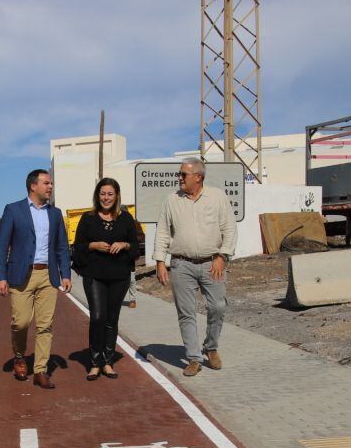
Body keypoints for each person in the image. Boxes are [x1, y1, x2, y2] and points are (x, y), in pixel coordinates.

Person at [153, 157, 237, 376]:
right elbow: (162, 231)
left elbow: (229, 229)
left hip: (213, 263)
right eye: (179, 174)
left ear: (198, 177)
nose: (179, 178)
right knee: (186, 312)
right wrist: (160, 261)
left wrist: (222, 257)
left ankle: (211, 347)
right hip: (182, 264)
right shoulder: (171, 200)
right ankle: (193, 357)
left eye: (183, 175)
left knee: (217, 306)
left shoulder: (217, 197)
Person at [0, 169, 72, 389]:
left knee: (45, 325)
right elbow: (2, 246)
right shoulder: (13, 210)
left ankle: (40, 370)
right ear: (33, 186)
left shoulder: (55, 214)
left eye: (51, 183)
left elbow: (62, 247)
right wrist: (1, 276)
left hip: (48, 275)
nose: (50, 187)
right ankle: (19, 355)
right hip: (20, 275)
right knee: (21, 322)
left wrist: (65, 273)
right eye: (46, 183)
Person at [73, 178, 139, 380]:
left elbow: (136, 247)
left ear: (117, 196)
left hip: (119, 276)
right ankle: (95, 362)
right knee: (98, 317)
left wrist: (125, 245)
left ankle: (108, 362)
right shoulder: (87, 218)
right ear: (97, 195)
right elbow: (77, 249)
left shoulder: (126, 219)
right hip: (95, 275)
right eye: (103, 194)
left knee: (112, 319)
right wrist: (93, 246)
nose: (106, 198)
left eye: (110, 194)